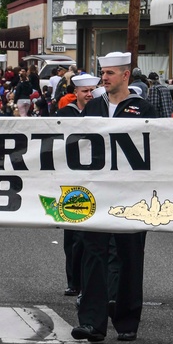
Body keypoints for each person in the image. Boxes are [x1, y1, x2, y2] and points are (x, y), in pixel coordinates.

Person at [70, 53, 156, 344]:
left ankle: (127, 320)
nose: (104, 77)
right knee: (93, 253)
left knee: (129, 254)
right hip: (97, 192)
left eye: (109, 73)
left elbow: (157, 149)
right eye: (102, 72)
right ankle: (92, 322)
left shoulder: (144, 108)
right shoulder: (94, 106)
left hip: (131, 194)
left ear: (125, 76)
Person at [54, 72, 99, 300]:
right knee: (72, 236)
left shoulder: (101, 113)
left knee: (91, 236)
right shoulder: (65, 114)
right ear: (76, 93)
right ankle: (73, 281)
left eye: (92, 90)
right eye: (85, 91)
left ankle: (88, 281)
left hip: (96, 178)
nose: (89, 95)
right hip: (72, 180)